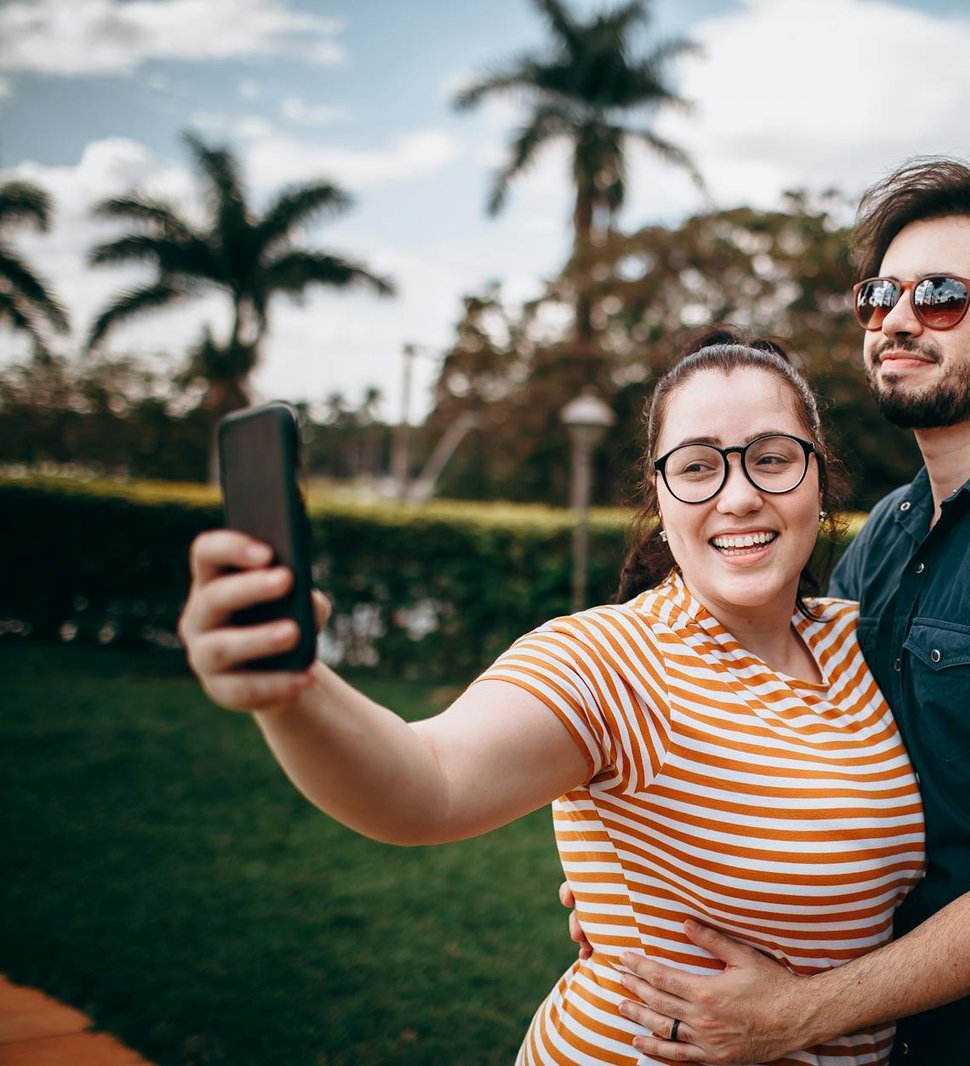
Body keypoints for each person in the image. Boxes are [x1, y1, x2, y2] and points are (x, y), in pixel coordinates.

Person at [179, 328, 929, 1065]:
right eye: (697, 468)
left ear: (818, 479)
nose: (738, 496)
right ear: (660, 498)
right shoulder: (615, 660)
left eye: (771, 459)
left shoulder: (859, 639)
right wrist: (294, 692)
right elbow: (428, 780)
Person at [615, 159, 970, 1065]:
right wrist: (632, 876)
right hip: (897, 1038)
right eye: (880, 293)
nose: (898, 319)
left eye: (944, 295)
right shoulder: (889, 529)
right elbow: (800, 730)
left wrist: (803, 1012)